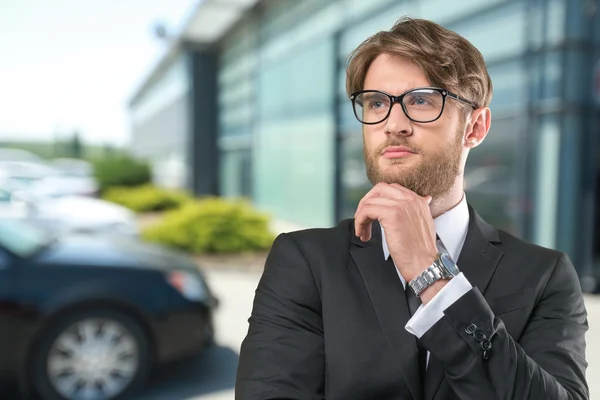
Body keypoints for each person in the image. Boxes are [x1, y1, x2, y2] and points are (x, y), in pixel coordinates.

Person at [235, 17, 589, 400]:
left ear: (475, 127)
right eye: (376, 103)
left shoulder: (546, 276)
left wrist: (436, 279)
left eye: (421, 100)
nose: (393, 123)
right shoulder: (304, 260)